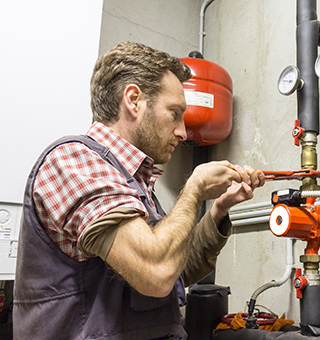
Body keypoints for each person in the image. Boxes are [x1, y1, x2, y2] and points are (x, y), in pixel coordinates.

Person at [13, 41, 265, 340]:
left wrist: (219, 209)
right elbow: (156, 273)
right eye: (175, 113)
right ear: (133, 100)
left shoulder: (131, 181)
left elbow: (175, 272)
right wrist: (195, 187)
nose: (183, 132)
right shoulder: (74, 161)